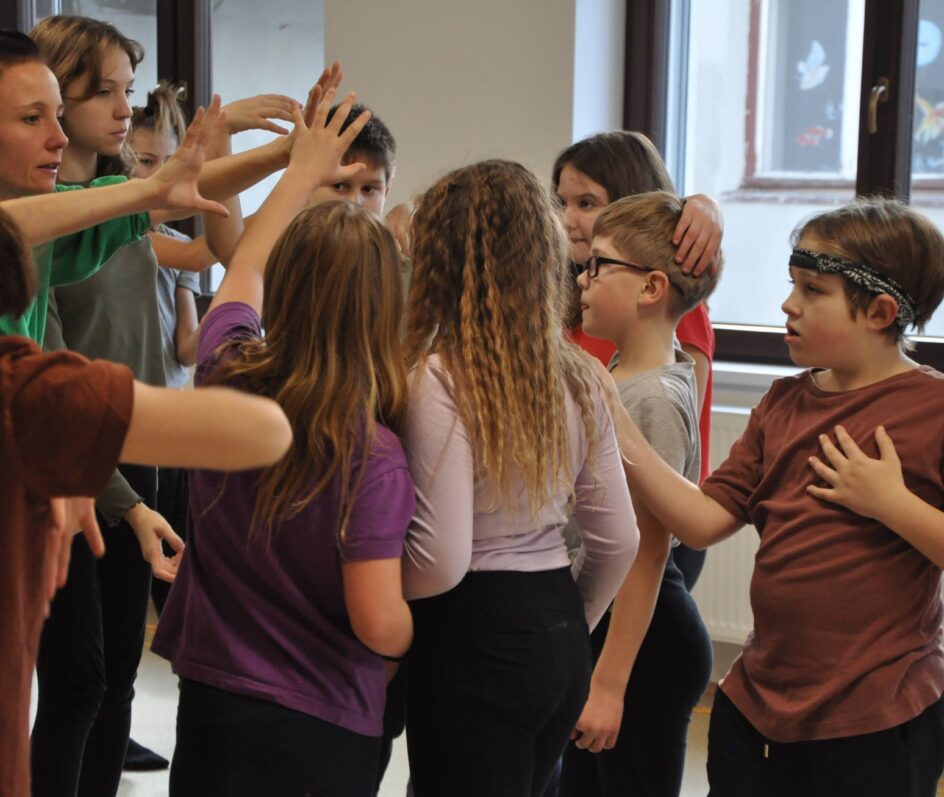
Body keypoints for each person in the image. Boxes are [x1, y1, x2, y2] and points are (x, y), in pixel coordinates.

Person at [607, 197, 944, 797]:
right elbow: (701, 522)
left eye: (813, 291)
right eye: (792, 285)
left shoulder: (933, 411)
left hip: (875, 720)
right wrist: (617, 421)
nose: (789, 304)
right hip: (757, 708)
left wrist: (890, 502)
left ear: (880, 311)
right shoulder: (783, 403)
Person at [151, 88, 415, 797]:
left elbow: (246, 266)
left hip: (213, 701)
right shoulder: (376, 455)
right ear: (386, 308)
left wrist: (300, 171)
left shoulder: (224, 365)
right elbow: (379, 620)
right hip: (320, 720)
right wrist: (418, 635)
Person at [0, 204, 292, 797]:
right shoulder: (22, 391)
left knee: (107, 680)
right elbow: (264, 430)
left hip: (119, 465)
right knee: (82, 682)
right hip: (111, 449)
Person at [399, 158, 639, 797]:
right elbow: (619, 540)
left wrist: (377, 599)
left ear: (441, 264)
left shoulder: (440, 378)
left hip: (471, 632)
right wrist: (567, 620)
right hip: (557, 627)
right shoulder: (581, 375)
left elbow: (441, 560)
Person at [558, 191, 718, 796]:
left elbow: (648, 553)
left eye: (598, 265)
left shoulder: (651, 397)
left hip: (642, 647)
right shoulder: (626, 369)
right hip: (610, 632)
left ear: (651, 288)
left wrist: (608, 685)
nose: (583, 278)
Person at [552, 131, 720, 589]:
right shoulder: (581, 294)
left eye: (586, 204)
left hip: (645, 541)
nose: (566, 219)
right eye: (562, 202)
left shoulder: (669, 309)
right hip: (596, 531)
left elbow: (670, 438)